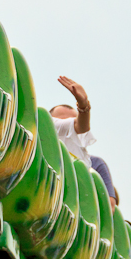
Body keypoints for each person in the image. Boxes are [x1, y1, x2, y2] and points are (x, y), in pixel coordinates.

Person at [51, 76, 117, 210]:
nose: (68, 130)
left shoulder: (95, 164)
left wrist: (83, 106)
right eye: (61, 122)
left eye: (70, 121)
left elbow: (109, 206)